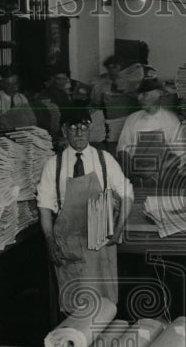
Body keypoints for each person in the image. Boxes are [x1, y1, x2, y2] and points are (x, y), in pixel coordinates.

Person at [37, 108, 134, 311]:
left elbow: (127, 193)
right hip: (68, 245)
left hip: (100, 245)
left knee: (104, 307)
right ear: (64, 131)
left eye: (83, 127)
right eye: (73, 128)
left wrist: (118, 229)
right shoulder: (53, 165)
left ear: (90, 130)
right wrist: (50, 243)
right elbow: (45, 206)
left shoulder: (104, 159)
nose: (79, 133)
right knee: (75, 307)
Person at [115, 78, 185, 185]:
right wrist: (131, 171)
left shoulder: (171, 120)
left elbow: (180, 154)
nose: (139, 98)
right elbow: (122, 149)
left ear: (158, 94)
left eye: (144, 94)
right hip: (135, 174)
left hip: (162, 174)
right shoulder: (132, 119)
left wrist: (154, 168)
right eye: (139, 94)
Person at [90, 55, 140, 150]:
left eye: (115, 67)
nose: (112, 70)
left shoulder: (133, 80)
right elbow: (96, 103)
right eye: (109, 67)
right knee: (114, 147)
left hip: (131, 121)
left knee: (130, 149)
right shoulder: (102, 83)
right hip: (113, 122)